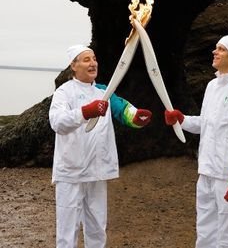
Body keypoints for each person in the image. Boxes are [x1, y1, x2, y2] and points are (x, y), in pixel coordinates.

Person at [164, 35, 228, 248]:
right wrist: (182, 120)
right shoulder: (213, 85)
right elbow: (208, 124)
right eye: (216, 47)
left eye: (221, 49)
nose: (215, 52)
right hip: (207, 172)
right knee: (206, 232)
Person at [49, 44, 152, 248]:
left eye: (94, 58)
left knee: (97, 227)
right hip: (71, 171)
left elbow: (122, 109)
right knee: (67, 230)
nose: (93, 63)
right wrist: (85, 112)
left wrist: (136, 117)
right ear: (73, 65)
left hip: (97, 171)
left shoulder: (103, 92)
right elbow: (57, 122)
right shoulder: (64, 92)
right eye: (86, 59)